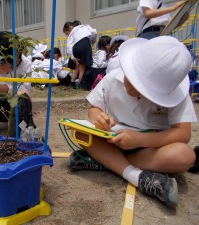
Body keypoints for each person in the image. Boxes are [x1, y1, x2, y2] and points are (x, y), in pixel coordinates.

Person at [68, 36, 197, 206]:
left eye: (146, 91)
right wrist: (98, 117)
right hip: (112, 141)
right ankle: (137, 176)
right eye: (133, 81)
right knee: (80, 133)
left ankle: (107, 162)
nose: (134, 91)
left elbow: (182, 133)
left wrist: (140, 139)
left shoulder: (176, 91)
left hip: (151, 149)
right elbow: (94, 109)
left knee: (185, 156)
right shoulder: (112, 78)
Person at [63, 21, 97, 88]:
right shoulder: (85, 26)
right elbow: (94, 32)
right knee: (82, 68)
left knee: (77, 66)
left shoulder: (72, 33)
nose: (68, 34)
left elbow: (69, 46)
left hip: (75, 48)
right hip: (85, 44)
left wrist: (73, 57)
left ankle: (72, 83)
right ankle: (81, 85)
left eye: (67, 33)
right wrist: (93, 41)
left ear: (70, 28)